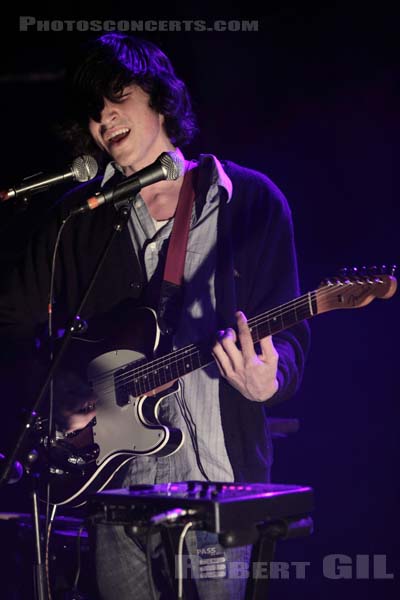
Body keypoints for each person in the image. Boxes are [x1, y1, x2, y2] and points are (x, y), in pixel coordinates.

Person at [0, 33, 310, 599]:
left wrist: (271, 378)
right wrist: (58, 395)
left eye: (117, 96)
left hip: (223, 481)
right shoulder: (77, 219)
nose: (104, 118)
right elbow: (14, 325)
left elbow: (287, 334)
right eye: (92, 112)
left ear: (161, 98)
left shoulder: (252, 201)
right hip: (112, 483)